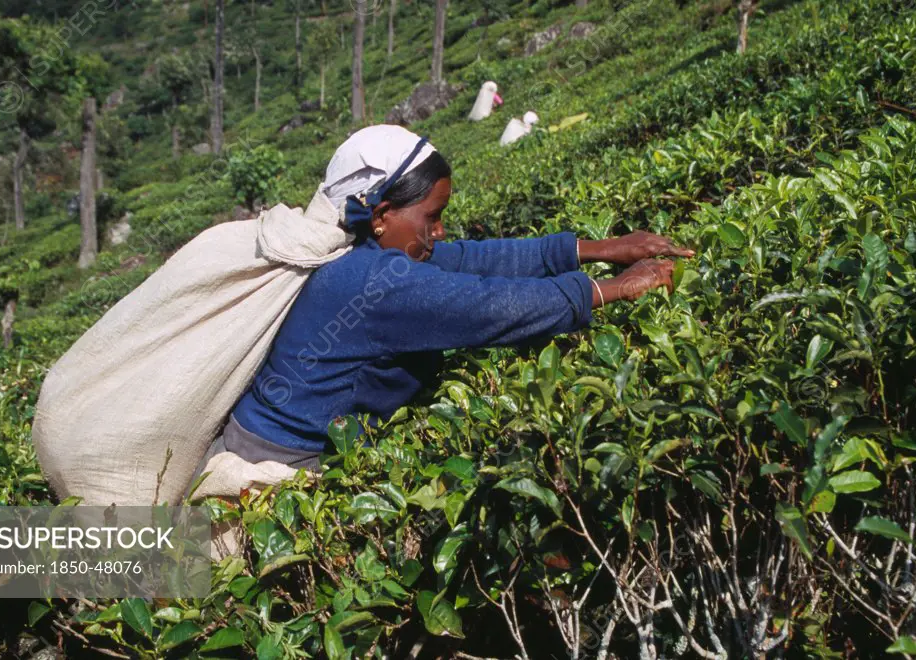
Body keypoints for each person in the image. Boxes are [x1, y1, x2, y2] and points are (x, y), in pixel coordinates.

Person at [188, 124, 693, 489]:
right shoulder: (376, 280)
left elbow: (475, 259)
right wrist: (614, 288)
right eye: (432, 217)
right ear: (382, 214)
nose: (440, 231)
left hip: (261, 438)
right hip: (277, 466)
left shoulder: (357, 250)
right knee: (154, 580)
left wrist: (598, 249)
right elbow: (490, 307)